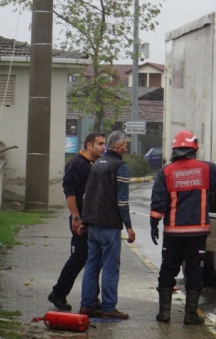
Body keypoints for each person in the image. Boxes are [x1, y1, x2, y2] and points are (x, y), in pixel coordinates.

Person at [150, 130, 216, 324]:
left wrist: (154, 224)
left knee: (168, 270)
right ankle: (191, 315)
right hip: (197, 234)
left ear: (174, 149)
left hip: (173, 233)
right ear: (194, 148)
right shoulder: (206, 169)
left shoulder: (166, 172)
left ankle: (164, 313)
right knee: (194, 272)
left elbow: (158, 203)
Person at [77, 131, 136, 320]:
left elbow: (88, 196)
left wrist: (85, 221)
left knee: (91, 265)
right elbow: (122, 201)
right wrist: (129, 226)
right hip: (109, 226)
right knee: (111, 267)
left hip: (93, 225)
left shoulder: (96, 165)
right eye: (125, 145)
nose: (126, 148)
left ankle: (86, 306)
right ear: (118, 147)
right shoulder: (120, 166)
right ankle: (109, 307)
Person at [48, 133, 106, 311]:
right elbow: (69, 190)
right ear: (89, 145)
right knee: (79, 257)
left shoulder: (95, 164)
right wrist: (75, 216)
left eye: (105, 144)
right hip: (80, 219)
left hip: (93, 220)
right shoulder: (77, 163)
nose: (104, 147)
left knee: (95, 259)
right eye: (100, 144)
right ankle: (58, 293)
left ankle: (92, 298)